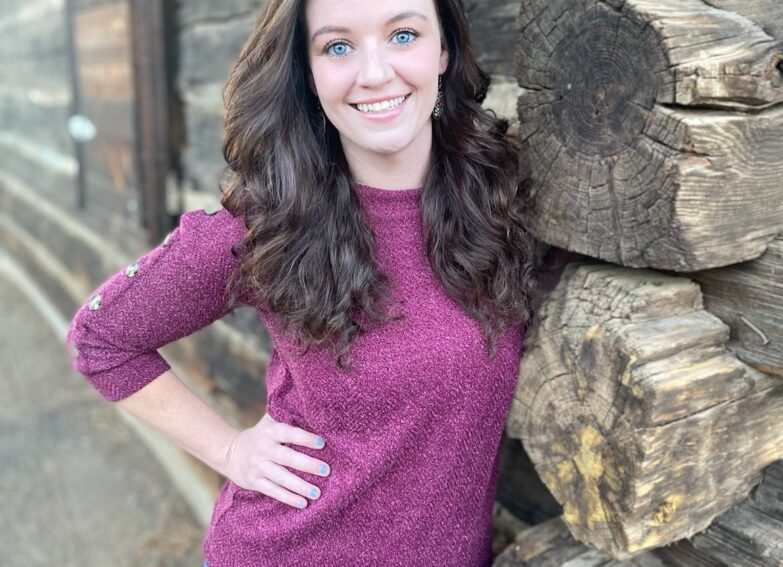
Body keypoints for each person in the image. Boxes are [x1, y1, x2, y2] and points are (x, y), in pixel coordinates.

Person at [65, 0, 539, 564]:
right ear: (309, 75)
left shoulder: (497, 198)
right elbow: (100, 337)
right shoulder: (270, 222)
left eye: (403, 35)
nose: (375, 72)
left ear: (444, 51)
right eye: (338, 46)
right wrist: (231, 450)